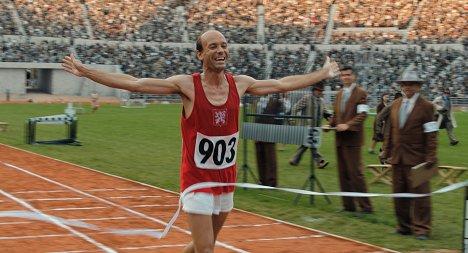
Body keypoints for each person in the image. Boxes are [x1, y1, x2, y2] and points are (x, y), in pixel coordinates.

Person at [62, 30, 340, 253]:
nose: (220, 51)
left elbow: (281, 84)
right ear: (200, 54)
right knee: (206, 249)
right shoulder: (186, 85)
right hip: (197, 181)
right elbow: (134, 83)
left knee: (201, 245)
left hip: (225, 179)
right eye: (213, 47)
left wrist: (322, 74)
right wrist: (87, 72)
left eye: (224, 45)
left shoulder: (239, 83)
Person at [380, 67, 438, 240]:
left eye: (411, 84)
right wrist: (386, 151)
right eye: (404, 84)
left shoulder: (427, 106)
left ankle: (422, 229)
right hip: (398, 158)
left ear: (419, 86)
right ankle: (403, 227)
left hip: (418, 159)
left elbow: (432, 133)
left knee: (421, 196)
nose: (407, 88)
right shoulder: (396, 104)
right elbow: (391, 130)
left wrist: (431, 156)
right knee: (399, 195)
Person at [327, 65, 373, 214]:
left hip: (353, 139)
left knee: (355, 173)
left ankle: (366, 206)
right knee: (343, 173)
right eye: (343, 75)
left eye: (348, 75)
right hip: (339, 139)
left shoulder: (361, 93)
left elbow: (363, 115)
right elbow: (335, 114)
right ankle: (348, 206)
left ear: (354, 77)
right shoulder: (339, 94)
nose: (345, 77)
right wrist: (329, 125)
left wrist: (348, 125)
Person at [289, 81, 331, 169]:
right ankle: (320, 161)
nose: (320, 92)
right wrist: (292, 118)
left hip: (316, 128)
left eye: (321, 90)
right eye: (319, 90)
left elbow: (326, 113)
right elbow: (295, 108)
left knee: (305, 145)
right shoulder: (307, 98)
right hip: (306, 127)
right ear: (314, 90)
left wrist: (330, 118)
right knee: (312, 146)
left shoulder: (322, 101)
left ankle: (294, 160)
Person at [254, 94, 284, 187]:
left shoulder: (276, 100)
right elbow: (255, 116)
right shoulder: (258, 100)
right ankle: (262, 180)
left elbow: (281, 114)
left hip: (270, 131)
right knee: (260, 155)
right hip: (258, 129)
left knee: (270, 156)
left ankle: (271, 181)